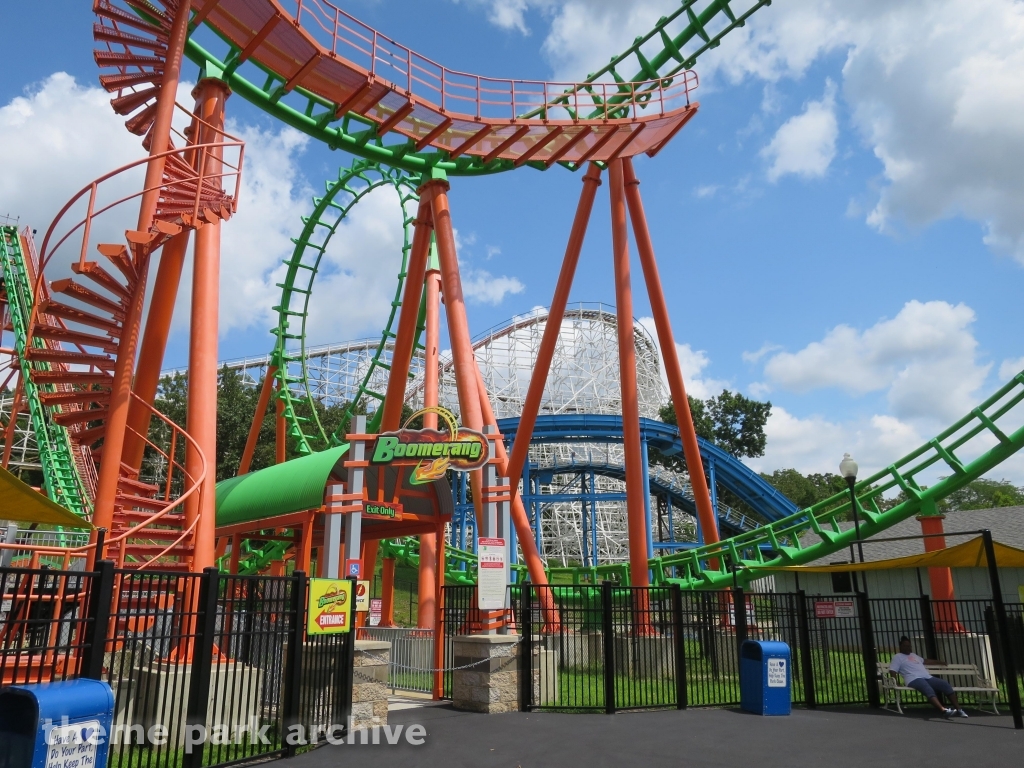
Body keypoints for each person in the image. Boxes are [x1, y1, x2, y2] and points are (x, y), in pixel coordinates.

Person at [889, 636, 968, 718]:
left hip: (927, 677)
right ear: (901, 647)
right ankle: (943, 710)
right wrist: (896, 682)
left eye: (909, 646)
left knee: (945, 684)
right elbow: (893, 670)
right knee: (928, 689)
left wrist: (940, 662)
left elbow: (925, 661)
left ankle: (959, 710)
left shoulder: (914, 655)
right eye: (905, 646)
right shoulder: (897, 657)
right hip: (913, 679)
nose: (908, 647)